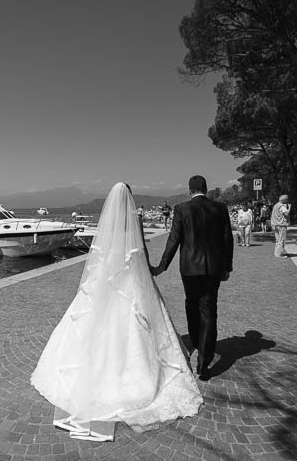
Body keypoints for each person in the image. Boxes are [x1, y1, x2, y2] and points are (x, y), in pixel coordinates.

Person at [31, 182, 203, 441]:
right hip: (131, 278)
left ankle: (91, 372)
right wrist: (149, 275)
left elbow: (100, 255)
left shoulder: (107, 221)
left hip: (108, 277)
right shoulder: (136, 219)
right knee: (137, 323)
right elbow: (140, 253)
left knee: (94, 323)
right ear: (131, 201)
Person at [150, 175, 234, 382]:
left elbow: (174, 239)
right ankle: (204, 365)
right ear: (206, 189)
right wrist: (227, 267)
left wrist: (162, 266)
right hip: (213, 268)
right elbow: (228, 240)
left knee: (191, 303)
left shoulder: (182, 209)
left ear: (190, 190)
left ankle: (196, 339)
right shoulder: (220, 208)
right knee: (209, 309)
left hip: (189, 267)